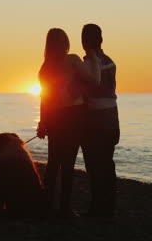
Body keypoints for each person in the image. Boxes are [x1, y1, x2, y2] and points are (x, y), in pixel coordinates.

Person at [37, 28, 100, 218]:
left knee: (53, 162)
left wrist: (42, 122)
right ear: (65, 43)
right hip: (73, 116)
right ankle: (64, 208)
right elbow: (95, 80)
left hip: (54, 117)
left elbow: (44, 98)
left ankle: (46, 205)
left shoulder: (45, 67)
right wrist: (94, 57)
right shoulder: (72, 60)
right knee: (68, 163)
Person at [80, 24, 120, 218]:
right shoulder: (111, 62)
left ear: (84, 42)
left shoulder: (87, 64)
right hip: (112, 116)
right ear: (101, 40)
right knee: (107, 164)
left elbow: (84, 92)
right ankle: (108, 208)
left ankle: (97, 209)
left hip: (94, 119)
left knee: (94, 165)